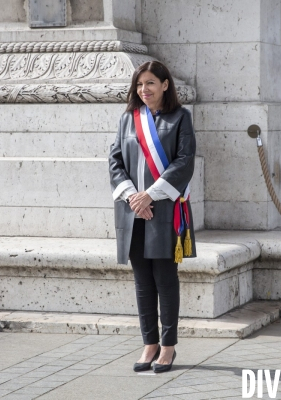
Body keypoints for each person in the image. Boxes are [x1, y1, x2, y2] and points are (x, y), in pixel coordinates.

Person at [108, 61, 196, 373]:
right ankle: (149, 343)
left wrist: (150, 194)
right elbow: (115, 161)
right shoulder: (127, 119)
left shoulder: (181, 117)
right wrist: (134, 196)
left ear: (165, 85)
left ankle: (168, 346)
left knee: (165, 278)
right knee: (142, 281)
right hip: (134, 212)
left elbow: (185, 162)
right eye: (140, 85)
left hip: (163, 211)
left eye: (150, 84)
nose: (144, 90)